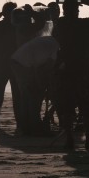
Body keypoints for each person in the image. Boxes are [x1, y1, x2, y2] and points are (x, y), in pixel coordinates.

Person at [53, 0, 89, 150]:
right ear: (75, 11)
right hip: (82, 71)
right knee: (87, 108)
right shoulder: (83, 25)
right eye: (76, 10)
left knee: (68, 107)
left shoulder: (60, 25)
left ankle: (70, 139)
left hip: (66, 71)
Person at [10, 8, 58, 136]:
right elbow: (45, 67)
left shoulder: (48, 41)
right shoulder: (54, 47)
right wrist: (41, 82)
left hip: (19, 61)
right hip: (22, 64)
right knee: (32, 94)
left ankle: (27, 126)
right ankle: (32, 126)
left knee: (27, 95)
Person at [0, 1, 19, 129]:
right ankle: (19, 123)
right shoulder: (16, 26)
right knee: (16, 97)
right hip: (12, 65)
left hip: (4, 64)